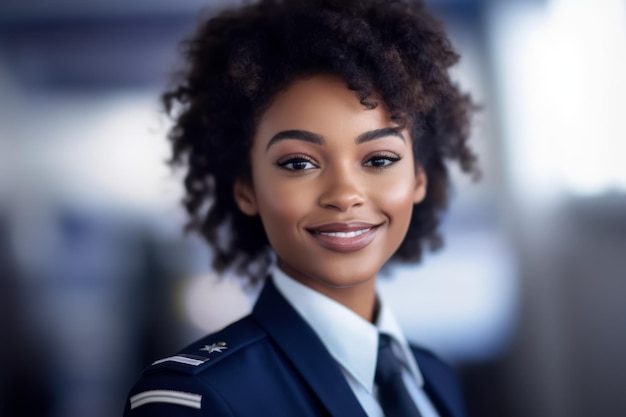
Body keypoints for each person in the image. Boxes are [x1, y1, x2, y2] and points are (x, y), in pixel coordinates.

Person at [123, 0, 478, 415]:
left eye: (379, 160)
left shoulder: (435, 378)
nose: (345, 194)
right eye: (299, 163)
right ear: (246, 189)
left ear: (419, 179)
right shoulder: (194, 398)